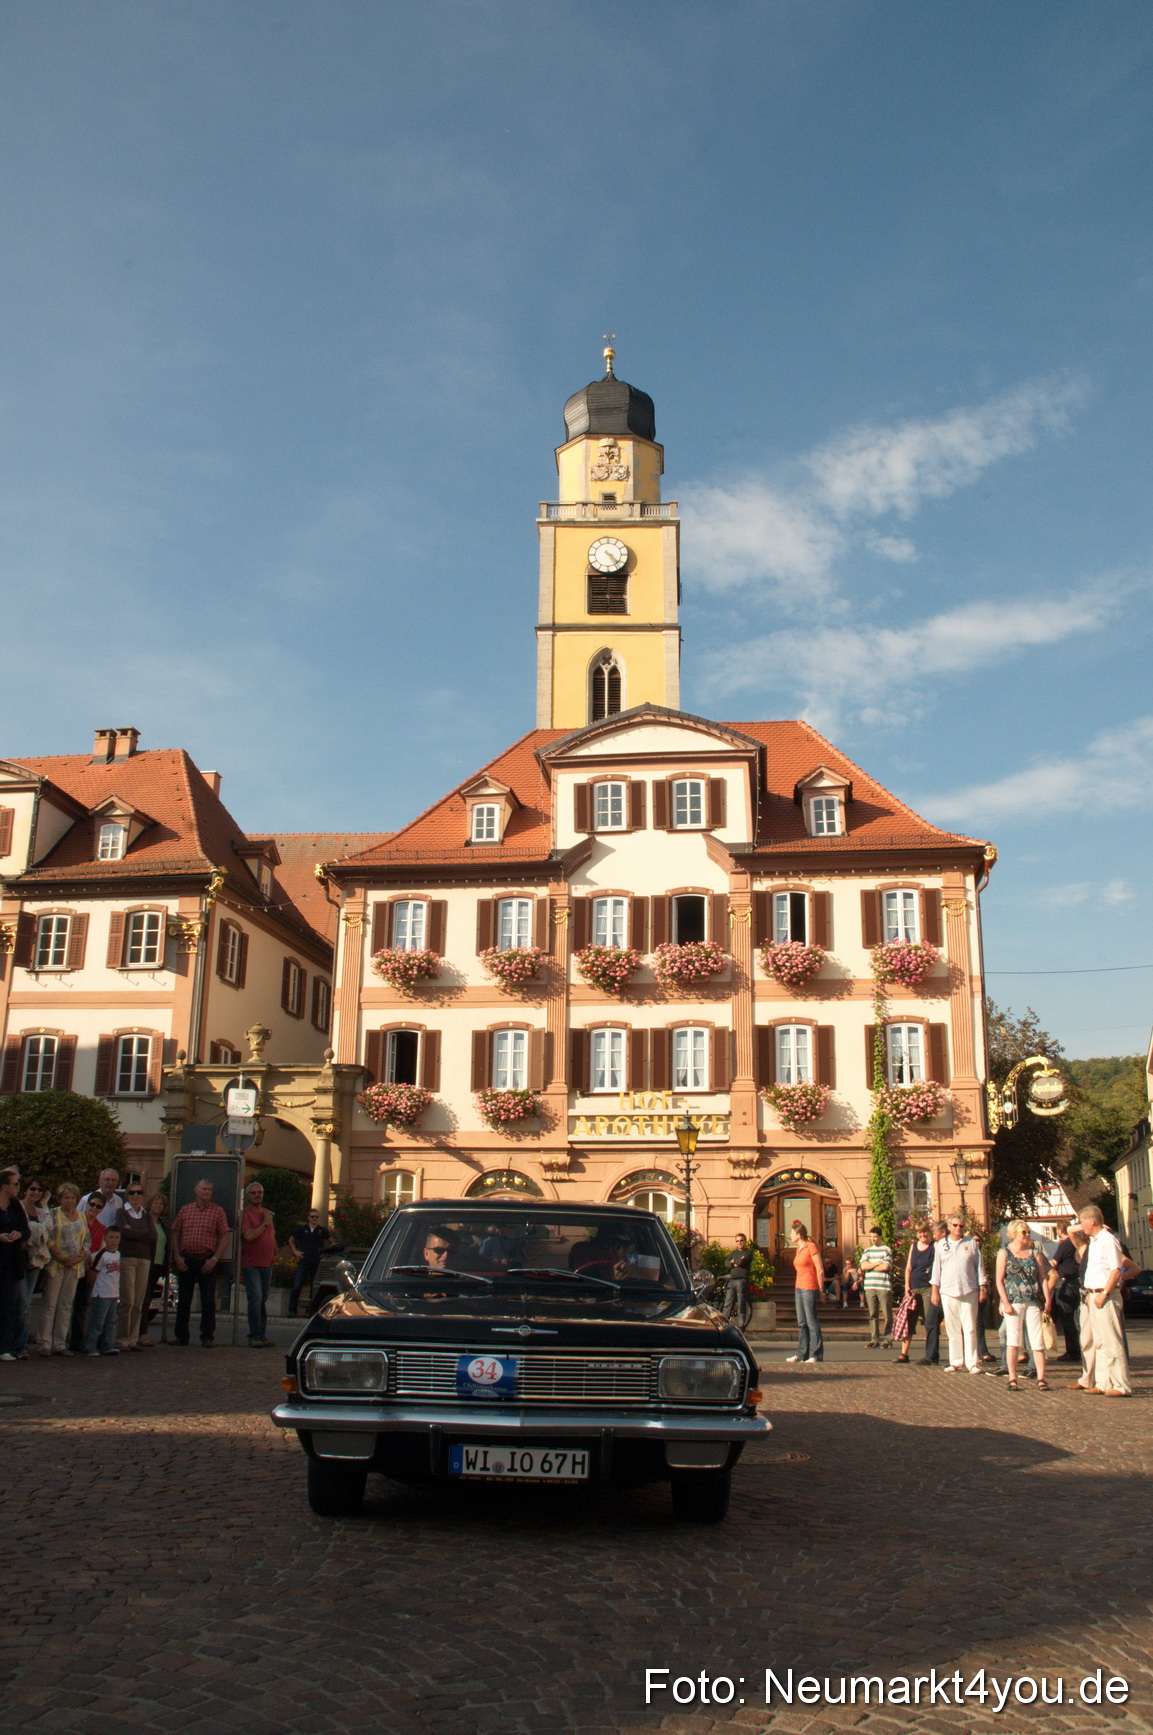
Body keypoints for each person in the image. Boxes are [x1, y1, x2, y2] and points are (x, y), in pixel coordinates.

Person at [1073, 1204, 1131, 1397]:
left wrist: (1105, 1292)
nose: (1081, 1225)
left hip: (1104, 1295)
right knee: (1099, 1342)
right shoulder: (1095, 1242)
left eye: (1083, 1222)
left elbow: (1116, 1270)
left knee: (1111, 1340)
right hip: (1092, 1295)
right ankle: (1103, 1382)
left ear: (1092, 1221)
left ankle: (1121, 1385)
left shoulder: (1108, 1241)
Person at [170, 1179, 230, 1347]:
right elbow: (175, 1232)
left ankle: (207, 1336)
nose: (206, 1192)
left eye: (209, 1189)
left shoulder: (217, 1211)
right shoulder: (185, 1210)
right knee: (184, 1301)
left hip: (207, 1260)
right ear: (196, 1190)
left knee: (208, 1300)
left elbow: (225, 1235)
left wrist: (215, 1258)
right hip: (186, 1260)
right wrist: (177, 1256)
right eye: (204, 1189)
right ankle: (181, 1336)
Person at [995, 1221, 1053, 1391]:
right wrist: (1005, 1302)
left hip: (1032, 1300)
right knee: (1013, 1341)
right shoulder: (1004, 1253)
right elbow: (999, 1280)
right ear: (1014, 1234)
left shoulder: (1035, 1253)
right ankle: (1012, 1378)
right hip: (1014, 1301)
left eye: (1028, 1231)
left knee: (1037, 1340)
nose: (1027, 1235)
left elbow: (1042, 1277)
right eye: (1023, 1232)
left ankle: (1041, 1378)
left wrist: (1047, 1298)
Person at [930, 1213, 989, 1374]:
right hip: (948, 1290)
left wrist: (982, 1287)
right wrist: (934, 1290)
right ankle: (955, 1361)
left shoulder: (971, 1243)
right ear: (949, 1226)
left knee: (970, 1327)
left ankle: (972, 1362)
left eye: (961, 1226)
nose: (958, 1228)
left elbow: (979, 1266)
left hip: (968, 1289)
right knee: (952, 1328)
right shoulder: (941, 1245)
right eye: (955, 1225)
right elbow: (936, 1269)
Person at [38, 1184, 89, 1356]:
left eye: (73, 1198)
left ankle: (60, 1343)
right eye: (66, 1197)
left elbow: (87, 1240)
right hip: (56, 1265)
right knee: (50, 1304)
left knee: (66, 1305)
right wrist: (59, 1255)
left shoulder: (81, 1216)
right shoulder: (54, 1214)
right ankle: (45, 1343)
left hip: (74, 1266)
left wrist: (80, 1257)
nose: (70, 1201)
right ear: (60, 1199)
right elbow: (48, 1237)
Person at [112, 1183, 157, 1350]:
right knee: (127, 1301)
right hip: (127, 1259)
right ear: (127, 1194)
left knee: (138, 1301)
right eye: (132, 1192)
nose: (135, 1195)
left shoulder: (145, 1214)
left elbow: (153, 1236)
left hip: (144, 1259)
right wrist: (142, 1232)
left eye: (139, 1192)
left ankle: (133, 1339)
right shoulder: (122, 1212)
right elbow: (123, 1232)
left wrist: (134, 1232)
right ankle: (121, 1339)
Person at [17, 1179, 52, 1357]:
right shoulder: (18, 1207)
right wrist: (39, 1231)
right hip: (19, 1259)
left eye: (39, 1189)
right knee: (21, 1301)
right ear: (25, 1190)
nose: (36, 1192)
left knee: (26, 1301)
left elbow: (49, 1227)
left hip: (35, 1260)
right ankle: (17, 1343)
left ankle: (21, 1344)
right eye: (32, 1188)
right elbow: (28, 1230)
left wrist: (44, 1204)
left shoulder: (40, 1211)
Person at [239, 1181, 277, 1348]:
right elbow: (248, 1236)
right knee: (255, 1298)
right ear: (248, 1196)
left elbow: (272, 1235)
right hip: (251, 1264)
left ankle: (261, 1335)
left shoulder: (267, 1213)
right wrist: (264, 1223)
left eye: (259, 1192)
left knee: (262, 1300)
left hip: (267, 1263)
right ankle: (254, 1335)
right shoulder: (246, 1215)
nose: (257, 1195)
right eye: (253, 1193)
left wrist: (275, 1252)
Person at [0, 1166, 31, 1362]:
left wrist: (19, 1234)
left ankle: (5, 1347)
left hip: (12, 1262)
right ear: (4, 1186)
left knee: (9, 1306)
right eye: (15, 1184)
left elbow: (26, 1230)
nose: (18, 1187)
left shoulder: (16, 1206)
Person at [893, 1225, 935, 1364]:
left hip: (928, 1288)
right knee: (908, 1320)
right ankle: (904, 1354)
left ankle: (930, 1354)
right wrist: (907, 1286)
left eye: (925, 1232)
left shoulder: (934, 1246)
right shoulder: (914, 1246)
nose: (923, 1235)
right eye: (920, 1232)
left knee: (929, 1320)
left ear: (929, 1232)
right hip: (913, 1287)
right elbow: (908, 1268)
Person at [785, 1222, 824, 1364]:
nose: (790, 1235)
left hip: (809, 1287)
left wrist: (821, 1289)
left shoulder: (811, 1246)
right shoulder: (799, 1248)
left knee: (811, 1322)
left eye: (792, 1233)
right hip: (799, 1287)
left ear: (799, 1234)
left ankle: (816, 1354)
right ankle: (802, 1354)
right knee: (802, 1323)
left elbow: (820, 1269)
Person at [1048, 1221, 1085, 1363]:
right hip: (1076, 1282)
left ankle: (1073, 1351)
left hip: (1065, 1283)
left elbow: (1054, 1263)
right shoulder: (1075, 1243)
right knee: (1075, 1318)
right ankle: (1077, 1349)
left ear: (1059, 1230)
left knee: (1066, 1318)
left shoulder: (1065, 1244)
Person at [83, 1225, 122, 1356]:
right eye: (111, 1237)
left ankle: (107, 1344)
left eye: (116, 1238)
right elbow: (94, 1271)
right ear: (105, 1238)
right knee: (97, 1321)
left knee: (111, 1321)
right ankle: (90, 1345)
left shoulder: (118, 1254)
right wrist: (93, 1288)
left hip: (113, 1293)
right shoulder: (102, 1254)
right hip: (101, 1293)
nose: (114, 1240)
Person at [288, 1208, 333, 1316]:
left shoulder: (322, 1230)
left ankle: (311, 1311)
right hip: (304, 1260)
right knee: (297, 1285)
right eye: (312, 1217)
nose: (314, 1219)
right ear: (308, 1218)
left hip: (317, 1261)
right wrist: (295, 1251)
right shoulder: (302, 1229)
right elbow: (291, 1239)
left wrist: (326, 1254)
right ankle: (292, 1310)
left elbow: (331, 1241)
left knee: (315, 1287)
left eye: (316, 1217)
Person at [919, 1222, 948, 1365]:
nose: (934, 1236)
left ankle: (968, 1356)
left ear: (943, 1233)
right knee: (931, 1321)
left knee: (957, 1324)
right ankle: (931, 1356)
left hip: (949, 1289)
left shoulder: (944, 1246)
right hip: (939, 1289)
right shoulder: (937, 1246)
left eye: (935, 1233)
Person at [859, 1226, 892, 1349]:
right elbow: (863, 1266)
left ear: (880, 1237)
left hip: (883, 1286)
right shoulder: (867, 1251)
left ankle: (887, 1339)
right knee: (873, 1314)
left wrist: (871, 1265)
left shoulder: (886, 1250)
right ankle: (874, 1339)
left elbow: (886, 1267)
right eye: (871, 1237)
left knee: (887, 1314)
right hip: (870, 1286)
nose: (873, 1239)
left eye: (875, 1237)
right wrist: (878, 1262)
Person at [141, 1194, 168, 1342]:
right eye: (155, 1203)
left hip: (158, 1264)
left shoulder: (161, 1224)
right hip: (146, 1263)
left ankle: (142, 1332)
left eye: (161, 1204)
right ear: (150, 1205)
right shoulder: (145, 1221)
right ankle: (141, 1333)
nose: (158, 1206)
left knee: (149, 1298)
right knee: (143, 1299)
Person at [721, 1233, 753, 1329]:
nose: (739, 1243)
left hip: (742, 1280)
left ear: (745, 1241)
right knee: (728, 1303)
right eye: (737, 1241)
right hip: (732, 1280)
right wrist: (733, 1263)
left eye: (741, 1240)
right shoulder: (734, 1253)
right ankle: (724, 1324)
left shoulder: (748, 1252)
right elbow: (726, 1262)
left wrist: (734, 1262)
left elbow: (741, 1262)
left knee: (741, 1303)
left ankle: (741, 1326)